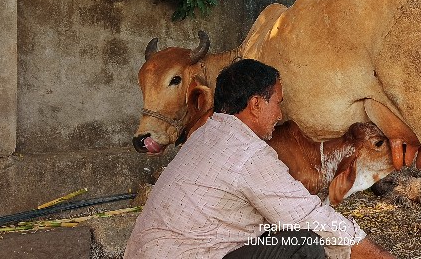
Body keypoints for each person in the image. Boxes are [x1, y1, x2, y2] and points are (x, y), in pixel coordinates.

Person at [124, 59, 394, 259]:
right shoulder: (247, 153)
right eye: (277, 103)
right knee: (303, 244)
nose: (279, 115)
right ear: (255, 104)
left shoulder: (206, 135)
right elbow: (309, 217)